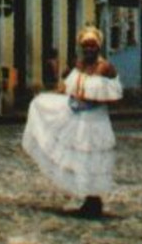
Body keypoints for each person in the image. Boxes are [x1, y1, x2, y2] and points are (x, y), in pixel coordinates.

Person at [22, 25, 122, 219]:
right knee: (81, 160)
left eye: (92, 46)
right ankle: (87, 198)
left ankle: (95, 200)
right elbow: (66, 85)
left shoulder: (106, 68)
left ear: (99, 47)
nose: (89, 50)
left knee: (94, 159)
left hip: (96, 121)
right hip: (80, 120)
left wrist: (94, 100)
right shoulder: (79, 65)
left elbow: (116, 96)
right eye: (85, 46)